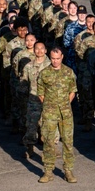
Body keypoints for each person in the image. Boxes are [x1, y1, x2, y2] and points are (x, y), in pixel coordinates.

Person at [37, 47, 77, 183]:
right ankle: (48, 171)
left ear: (62, 57)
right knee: (48, 141)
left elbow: (73, 90)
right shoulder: (44, 73)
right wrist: (50, 105)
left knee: (67, 142)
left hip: (66, 112)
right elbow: (41, 93)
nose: (55, 61)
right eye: (53, 58)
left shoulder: (68, 72)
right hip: (49, 112)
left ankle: (68, 170)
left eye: (57, 58)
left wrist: (66, 103)